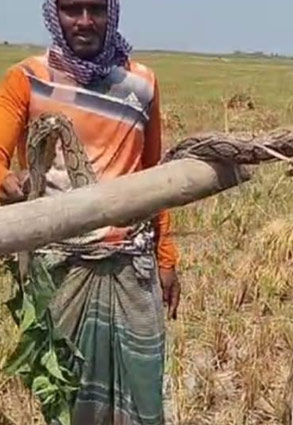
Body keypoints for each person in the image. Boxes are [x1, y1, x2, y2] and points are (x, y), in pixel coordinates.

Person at [0, 0, 180, 423]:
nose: (84, 21)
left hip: (132, 268)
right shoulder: (27, 79)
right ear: (53, 13)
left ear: (112, 12)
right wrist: (8, 182)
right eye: (71, 9)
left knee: (143, 393)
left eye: (96, 9)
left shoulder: (142, 84)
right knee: (70, 397)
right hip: (62, 271)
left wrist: (166, 254)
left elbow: (155, 174)